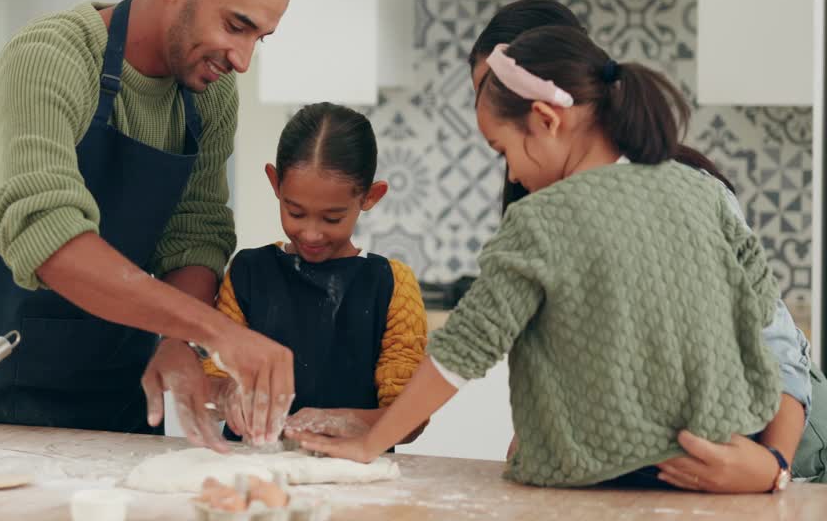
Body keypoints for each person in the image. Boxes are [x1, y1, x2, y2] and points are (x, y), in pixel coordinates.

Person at [290, 25, 784, 490]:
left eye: (504, 150)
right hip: (718, 472)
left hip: (593, 482)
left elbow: (465, 348)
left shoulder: (543, 219)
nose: (515, 176)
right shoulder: (701, 192)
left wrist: (370, 443)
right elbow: (759, 310)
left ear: (546, 121)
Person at [0, 0, 295, 451]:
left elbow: (197, 231)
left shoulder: (211, 97)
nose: (244, 59)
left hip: (126, 404)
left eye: (260, 38)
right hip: (10, 407)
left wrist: (178, 341)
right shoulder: (47, 59)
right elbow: (50, 238)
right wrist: (216, 333)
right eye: (236, 26)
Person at [468, 0, 826, 489]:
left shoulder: (685, 188)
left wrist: (773, 467)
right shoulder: (537, 209)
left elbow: (777, 348)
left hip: (781, 451)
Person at [199, 103, 428, 443]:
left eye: (332, 218)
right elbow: (211, 382)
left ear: (371, 197)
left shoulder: (390, 285)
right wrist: (226, 396)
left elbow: (410, 421)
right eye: (295, 212)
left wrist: (338, 422)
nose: (310, 233)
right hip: (252, 474)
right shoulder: (248, 273)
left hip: (354, 478)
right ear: (275, 184)